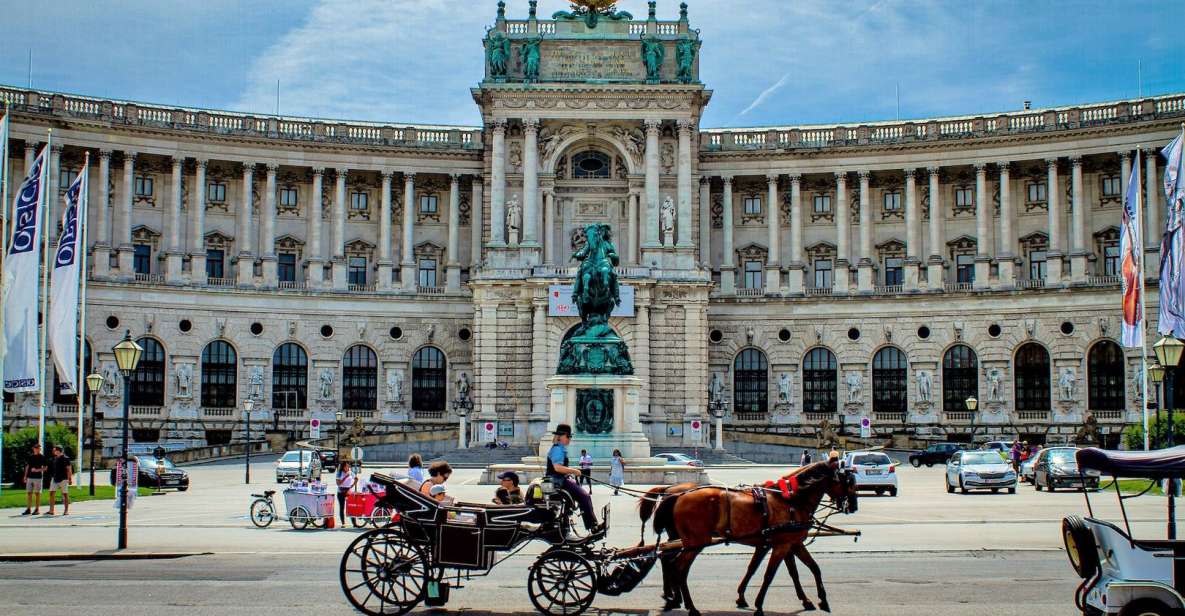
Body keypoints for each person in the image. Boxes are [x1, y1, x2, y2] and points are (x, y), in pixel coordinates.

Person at [546, 424, 599, 537]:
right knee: (584, 496)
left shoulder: (559, 448)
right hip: (557, 481)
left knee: (578, 495)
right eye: (568, 437)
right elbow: (557, 468)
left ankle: (568, 525)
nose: (570, 439)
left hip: (559, 479)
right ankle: (592, 526)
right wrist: (574, 471)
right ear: (563, 436)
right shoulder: (557, 449)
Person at [47, 445, 73, 516]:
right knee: (51, 493)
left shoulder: (66, 458)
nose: (53, 451)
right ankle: (51, 510)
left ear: (58, 450)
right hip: (55, 478)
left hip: (63, 479)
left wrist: (70, 479)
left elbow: (69, 469)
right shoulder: (55, 458)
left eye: (55, 450)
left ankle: (66, 510)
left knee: (65, 494)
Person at [22, 444, 47, 516]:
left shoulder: (42, 457)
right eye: (36, 448)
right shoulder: (30, 457)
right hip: (30, 477)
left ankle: (37, 509)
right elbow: (27, 466)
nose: (37, 449)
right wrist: (25, 476)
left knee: (37, 494)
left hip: (38, 477)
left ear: (40, 449)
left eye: (38, 448)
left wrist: (37, 470)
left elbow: (45, 468)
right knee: (29, 493)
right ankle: (28, 509)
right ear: (33, 449)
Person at [335, 461, 356, 526]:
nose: (347, 467)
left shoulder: (350, 472)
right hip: (341, 492)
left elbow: (356, 478)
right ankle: (343, 523)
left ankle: (354, 523)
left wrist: (352, 485)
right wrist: (345, 477)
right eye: (346, 466)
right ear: (343, 467)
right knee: (342, 507)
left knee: (351, 507)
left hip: (348, 491)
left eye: (348, 466)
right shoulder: (339, 473)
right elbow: (338, 483)